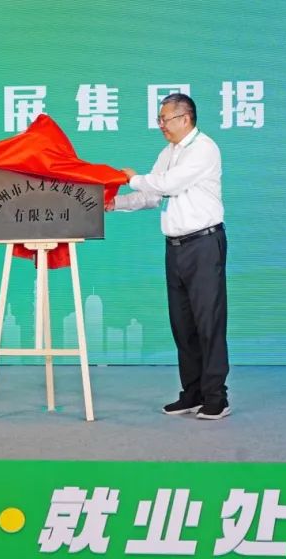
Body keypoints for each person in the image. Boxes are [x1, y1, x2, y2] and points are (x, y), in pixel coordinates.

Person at [108, 93, 230, 419]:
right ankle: (192, 392)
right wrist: (115, 203)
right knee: (182, 324)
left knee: (208, 322)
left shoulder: (204, 148)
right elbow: (151, 196)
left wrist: (131, 177)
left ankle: (216, 397)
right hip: (175, 248)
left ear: (185, 118)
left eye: (165, 119)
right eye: (159, 120)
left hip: (203, 245)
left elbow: (169, 184)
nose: (161, 125)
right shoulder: (169, 152)